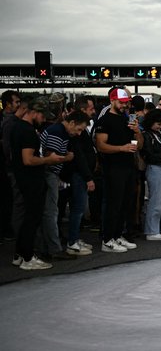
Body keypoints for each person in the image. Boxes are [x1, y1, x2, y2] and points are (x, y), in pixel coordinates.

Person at [10, 97, 66, 270]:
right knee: (32, 219)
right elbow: (28, 160)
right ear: (34, 112)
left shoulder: (17, 127)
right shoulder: (27, 131)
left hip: (22, 178)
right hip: (30, 180)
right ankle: (27, 257)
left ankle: (20, 255)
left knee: (28, 218)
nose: (44, 120)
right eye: (42, 116)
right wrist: (49, 159)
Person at [95, 88, 144, 253]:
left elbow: (139, 146)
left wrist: (137, 132)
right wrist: (121, 148)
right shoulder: (104, 120)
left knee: (126, 204)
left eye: (127, 103)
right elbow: (100, 145)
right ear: (112, 101)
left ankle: (117, 236)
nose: (125, 105)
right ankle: (107, 239)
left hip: (129, 166)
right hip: (113, 168)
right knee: (113, 205)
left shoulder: (127, 119)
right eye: (122, 103)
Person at [39, 110, 91, 259]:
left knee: (51, 211)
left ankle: (50, 246)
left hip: (53, 175)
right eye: (79, 129)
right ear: (72, 123)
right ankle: (53, 249)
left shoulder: (61, 132)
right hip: (49, 174)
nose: (79, 133)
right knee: (50, 212)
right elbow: (51, 158)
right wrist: (67, 158)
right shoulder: (57, 133)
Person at [67, 96, 97, 255]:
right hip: (80, 174)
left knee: (78, 209)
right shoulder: (77, 131)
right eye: (91, 109)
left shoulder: (83, 128)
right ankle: (72, 242)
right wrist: (88, 177)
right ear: (83, 110)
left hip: (83, 173)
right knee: (78, 209)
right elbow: (79, 155)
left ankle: (75, 238)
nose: (93, 111)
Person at [141, 109, 161, 240]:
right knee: (156, 199)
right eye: (158, 124)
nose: (160, 126)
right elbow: (149, 155)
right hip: (155, 167)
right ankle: (152, 230)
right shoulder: (146, 134)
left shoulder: (157, 133)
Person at [0, 90, 21, 242]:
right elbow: (7, 147)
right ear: (8, 104)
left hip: (6, 166)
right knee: (10, 199)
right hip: (8, 167)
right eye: (16, 102)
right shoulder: (9, 122)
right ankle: (7, 229)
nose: (18, 105)